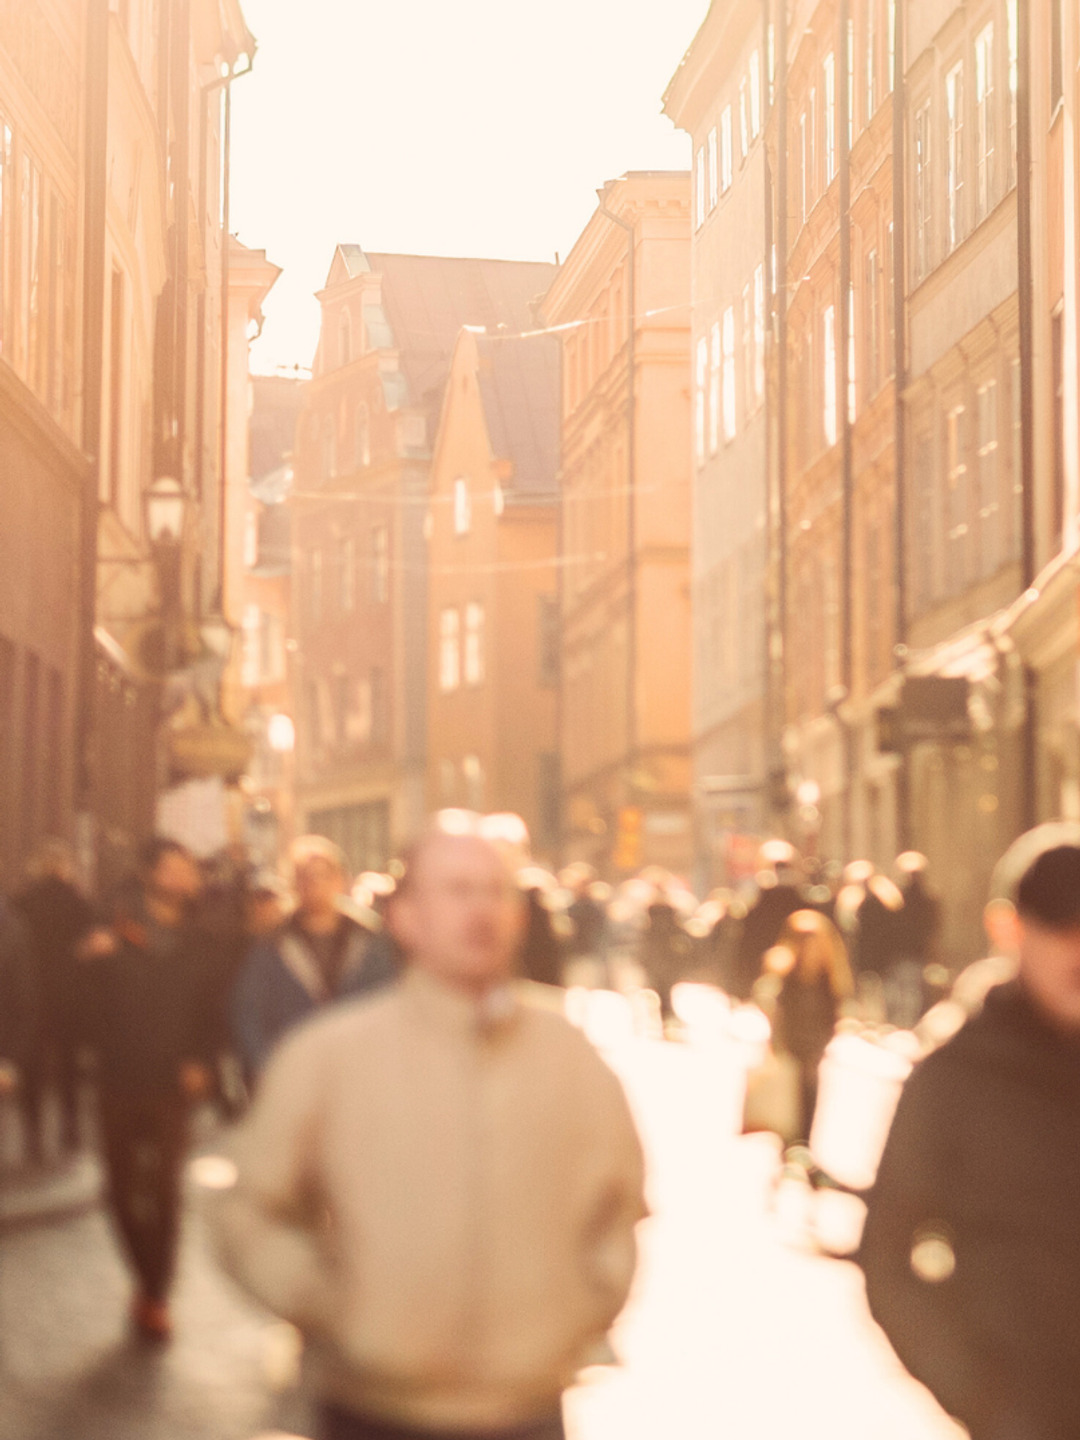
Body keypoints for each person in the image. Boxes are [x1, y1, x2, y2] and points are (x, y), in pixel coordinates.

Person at [212, 814, 647, 1440]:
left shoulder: (568, 1056)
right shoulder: (331, 1056)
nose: (482, 909)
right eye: (456, 890)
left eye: (496, 891)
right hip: (373, 1410)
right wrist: (329, 1304)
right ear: (406, 919)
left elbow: (621, 1202)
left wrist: (581, 1307)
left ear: (520, 915)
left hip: (526, 1410)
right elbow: (248, 1210)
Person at [859, 828, 1080, 1440]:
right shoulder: (958, 1076)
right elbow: (888, 1254)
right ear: (1012, 931)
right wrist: (983, 1397)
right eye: (1061, 930)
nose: (1078, 951)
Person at [80, 837, 215, 1340]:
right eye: (175, 868)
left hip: (171, 1083)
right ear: (150, 874)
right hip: (117, 1077)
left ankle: (156, 1292)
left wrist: (202, 1059)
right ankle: (144, 1276)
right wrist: (89, 961)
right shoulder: (113, 928)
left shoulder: (202, 938)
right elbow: (78, 1007)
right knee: (116, 1188)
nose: (185, 878)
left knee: (163, 1190)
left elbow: (212, 1007)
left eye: (189, 869)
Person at [231, 836, 396, 1079]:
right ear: (294, 885)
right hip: (296, 1074)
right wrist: (268, 1069)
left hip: (362, 1074)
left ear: (340, 880)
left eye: (322, 875)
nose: (314, 883)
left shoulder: (373, 941)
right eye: (304, 876)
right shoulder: (271, 947)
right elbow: (247, 1013)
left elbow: (393, 1001)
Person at [11, 840, 94, 1161]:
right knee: (68, 1062)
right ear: (65, 867)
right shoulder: (77, 902)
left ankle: (33, 1133)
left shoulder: (23, 902)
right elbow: (88, 944)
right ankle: (70, 1126)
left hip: (31, 993)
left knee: (32, 1063)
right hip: (68, 993)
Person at [758, 908, 853, 1141]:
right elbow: (770, 1007)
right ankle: (791, 1142)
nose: (811, 949)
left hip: (815, 1046)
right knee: (789, 1098)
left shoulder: (829, 977)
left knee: (810, 1093)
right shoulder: (783, 973)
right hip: (789, 1045)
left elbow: (837, 1012)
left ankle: (803, 1143)